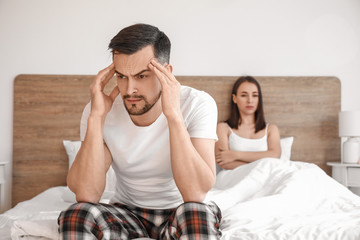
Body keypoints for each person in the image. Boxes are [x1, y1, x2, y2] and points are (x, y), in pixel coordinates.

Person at [58, 23, 221, 239]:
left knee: (196, 213)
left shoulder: (197, 104)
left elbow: (196, 193)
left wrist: (173, 114)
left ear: (166, 72)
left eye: (142, 76)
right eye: (121, 76)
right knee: (77, 214)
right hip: (127, 213)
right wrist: (97, 118)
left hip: (181, 210)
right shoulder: (100, 109)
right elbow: (86, 193)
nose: (129, 89)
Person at [215, 76, 281, 171]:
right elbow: (223, 162)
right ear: (234, 98)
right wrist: (261, 163)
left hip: (265, 176)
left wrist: (235, 154)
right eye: (244, 95)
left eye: (255, 95)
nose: (250, 100)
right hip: (233, 177)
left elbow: (275, 155)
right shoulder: (223, 128)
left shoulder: (271, 129)